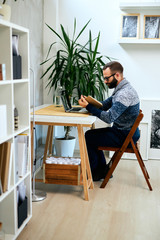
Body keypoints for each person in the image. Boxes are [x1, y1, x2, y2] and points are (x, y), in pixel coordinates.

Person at [78, 61, 140, 181]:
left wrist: (88, 107)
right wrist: (90, 102)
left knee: (89, 137)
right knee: (90, 135)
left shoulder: (124, 94)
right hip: (123, 132)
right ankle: (102, 171)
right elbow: (104, 105)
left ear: (117, 75)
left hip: (125, 136)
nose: (105, 81)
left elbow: (109, 118)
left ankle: (96, 173)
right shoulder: (122, 88)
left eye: (107, 78)